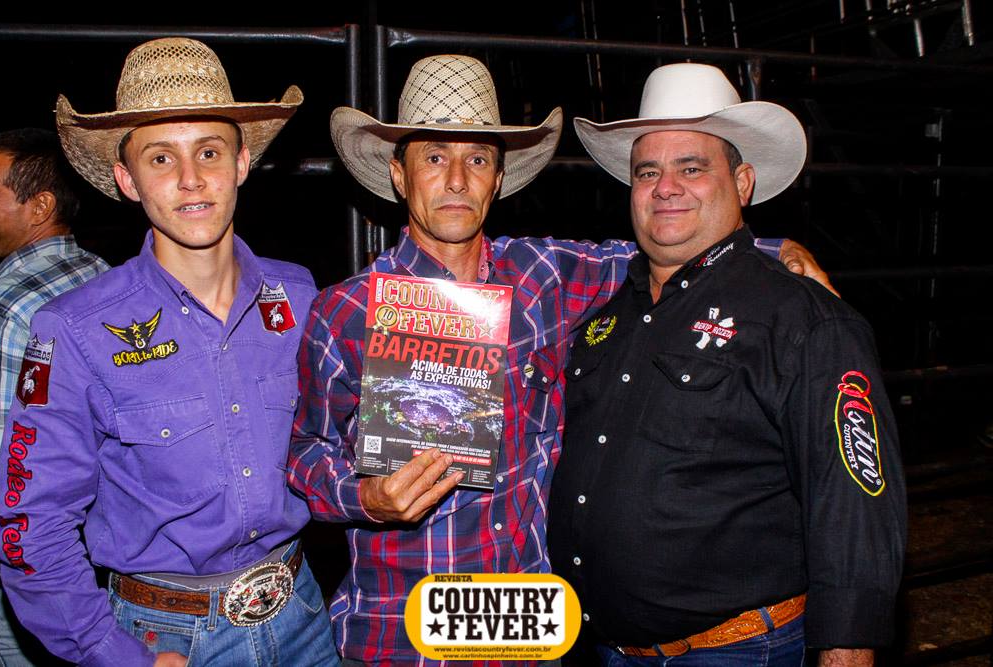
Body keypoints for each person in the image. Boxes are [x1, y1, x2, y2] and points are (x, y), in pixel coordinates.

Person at [287, 54, 833, 665]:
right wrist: (367, 499)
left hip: (530, 632)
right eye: (434, 158)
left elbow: (670, 245)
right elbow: (305, 453)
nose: (457, 181)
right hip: (402, 631)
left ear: (498, 178)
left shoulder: (544, 275)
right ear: (398, 175)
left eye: (477, 160)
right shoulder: (346, 311)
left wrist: (775, 251)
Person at [547, 63, 907, 666]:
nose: (666, 187)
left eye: (691, 168)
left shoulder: (804, 319)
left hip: (737, 650)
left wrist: (847, 653)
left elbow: (854, 506)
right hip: (606, 649)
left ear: (741, 183)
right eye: (648, 172)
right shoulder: (604, 317)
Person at [0, 38, 338, 667]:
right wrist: (109, 651)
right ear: (127, 180)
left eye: (209, 151)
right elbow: (29, 523)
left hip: (304, 615)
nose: (190, 178)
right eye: (160, 158)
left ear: (241, 163)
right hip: (167, 640)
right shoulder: (72, 329)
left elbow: (330, 442)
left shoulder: (298, 295)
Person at [0, 128, 109, 666]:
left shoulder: (6, 304)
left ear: (39, 206)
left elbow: (3, 465)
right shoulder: (104, 277)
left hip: (29, 555)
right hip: (95, 547)